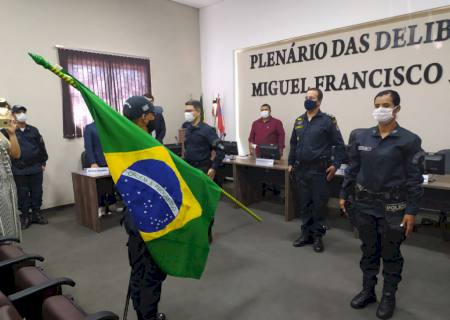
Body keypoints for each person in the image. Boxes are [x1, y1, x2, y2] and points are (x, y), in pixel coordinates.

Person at [339, 90, 423, 320]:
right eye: (377, 104)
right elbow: (352, 168)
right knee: (369, 249)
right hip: (365, 205)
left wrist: (411, 211)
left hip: (393, 208)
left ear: (397, 108)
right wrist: (344, 193)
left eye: (386, 104)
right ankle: (368, 290)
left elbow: (415, 180)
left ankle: (388, 295)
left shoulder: (409, 140)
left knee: (391, 252)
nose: (381, 109)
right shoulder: (362, 137)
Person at [122, 96, 166, 320]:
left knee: (139, 269)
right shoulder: (143, 142)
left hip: (133, 213)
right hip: (147, 215)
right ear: (142, 117)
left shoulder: (123, 137)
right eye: (150, 113)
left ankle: (143, 314)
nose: (153, 117)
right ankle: (148, 316)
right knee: (150, 273)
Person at [288, 88, 346, 252]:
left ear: (319, 101)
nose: (308, 99)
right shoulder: (299, 120)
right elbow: (294, 144)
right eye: (306, 97)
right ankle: (306, 234)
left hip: (319, 171)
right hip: (301, 170)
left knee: (319, 205)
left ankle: (318, 236)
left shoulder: (328, 120)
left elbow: (340, 146)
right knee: (304, 204)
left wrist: (336, 165)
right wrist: (291, 162)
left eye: (311, 97)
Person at [183, 99, 225, 242]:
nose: (186, 113)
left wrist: (213, 168)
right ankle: (195, 230)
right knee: (190, 203)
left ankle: (207, 232)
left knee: (204, 203)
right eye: (185, 111)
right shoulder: (188, 129)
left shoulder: (207, 130)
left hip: (203, 170)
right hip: (189, 170)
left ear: (198, 112)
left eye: (189, 111)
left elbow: (221, 151)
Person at [10, 105, 48, 229]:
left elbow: (42, 147)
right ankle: (25, 216)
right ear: (13, 115)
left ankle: (36, 214)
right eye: (18, 112)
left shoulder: (33, 130)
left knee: (37, 192)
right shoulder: (9, 132)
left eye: (23, 112)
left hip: (35, 168)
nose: (22, 114)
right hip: (19, 169)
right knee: (22, 193)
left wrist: (43, 163)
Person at [83, 122, 121, 217]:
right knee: (100, 185)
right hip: (97, 162)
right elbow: (88, 146)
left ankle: (112, 205)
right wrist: (93, 162)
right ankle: (101, 207)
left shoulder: (108, 125)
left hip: (111, 160)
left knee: (111, 183)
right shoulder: (90, 127)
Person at [0, 100, 22, 240]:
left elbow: (16, 154)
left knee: (9, 218)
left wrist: (12, 134)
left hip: (7, 182)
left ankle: (8, 249)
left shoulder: (2, 134)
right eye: (5, 110)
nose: (9, 114)